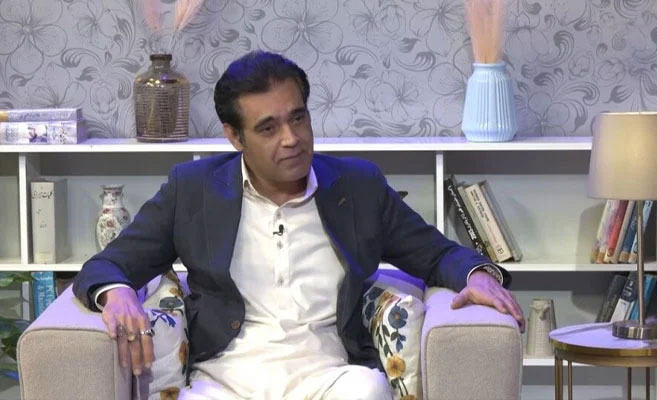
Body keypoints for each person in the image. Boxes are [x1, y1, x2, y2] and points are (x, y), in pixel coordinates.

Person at [73, 51, 525, 399]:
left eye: (298, 118)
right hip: (223, 381)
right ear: (235, 136)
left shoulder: (358, 186)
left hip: (331, 377)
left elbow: (437, 253)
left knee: (369, 392)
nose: (291, 139)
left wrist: (478, 275)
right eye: (268, 128)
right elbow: (107, 265)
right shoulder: (192, 190)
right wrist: (117, 292)